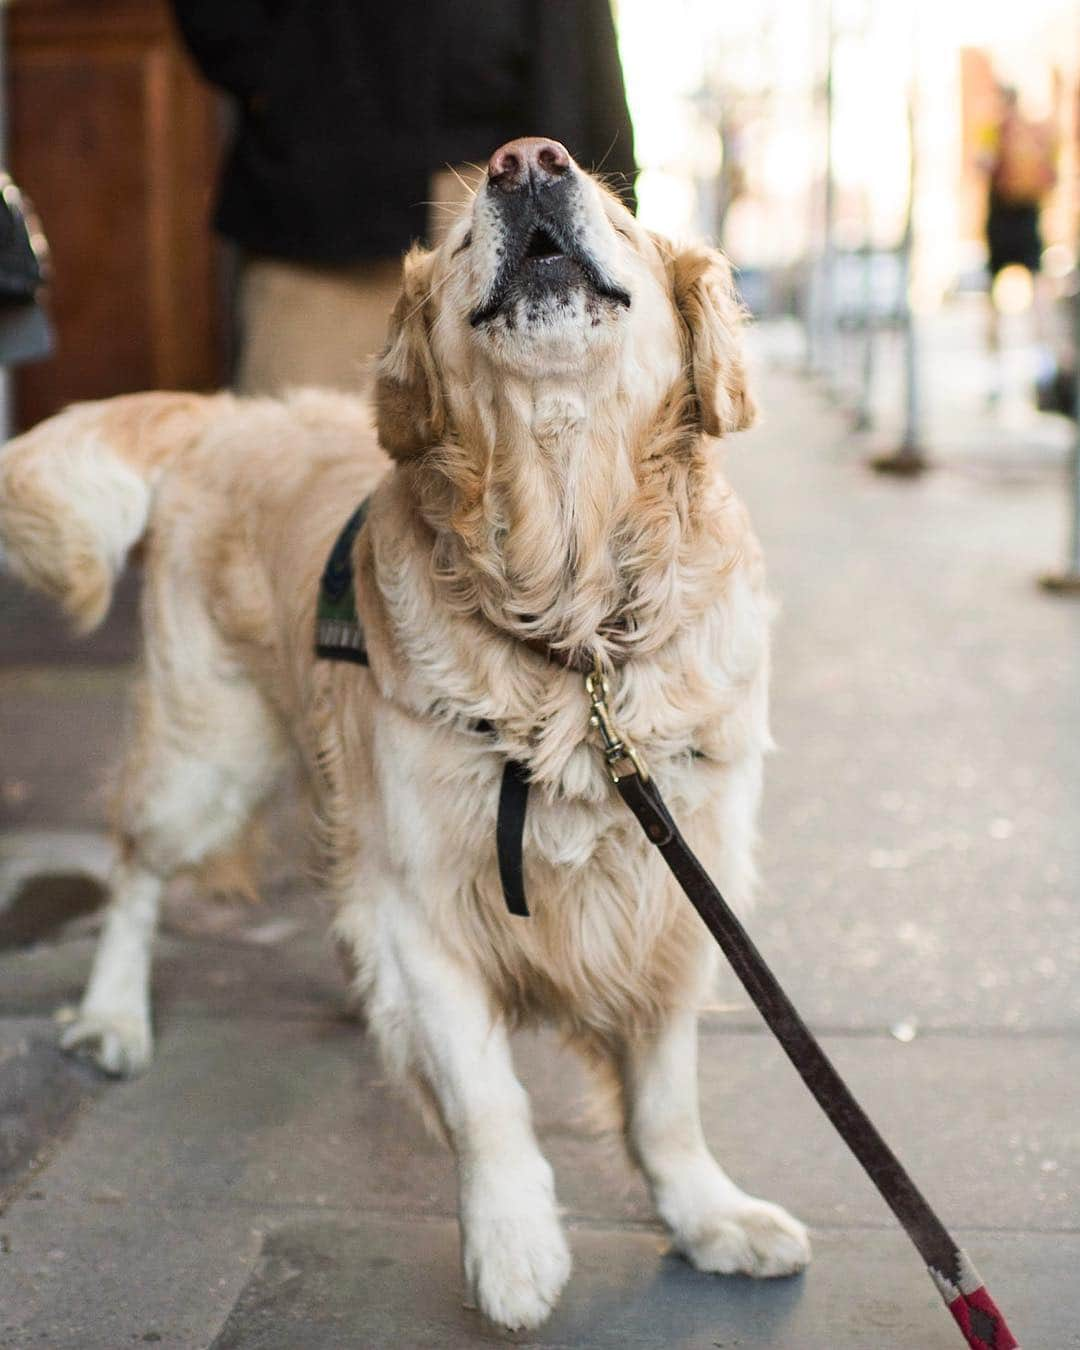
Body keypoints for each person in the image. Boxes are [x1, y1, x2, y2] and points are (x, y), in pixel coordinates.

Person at [170, 1, 637, 396]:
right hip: (317, 209)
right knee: (292, 470)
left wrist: (610, 207)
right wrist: (286, 77)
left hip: (509, 192)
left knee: (525, 475)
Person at [979, 83, 1058, 401]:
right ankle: (1041, 368)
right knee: (1037, 297)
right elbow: (1052, 177)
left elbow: (981, 166)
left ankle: (996, 376)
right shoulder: (1035, 133)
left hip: (1002, 221)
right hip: (1027, 219)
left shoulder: (994, 131)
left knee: (994, 304)